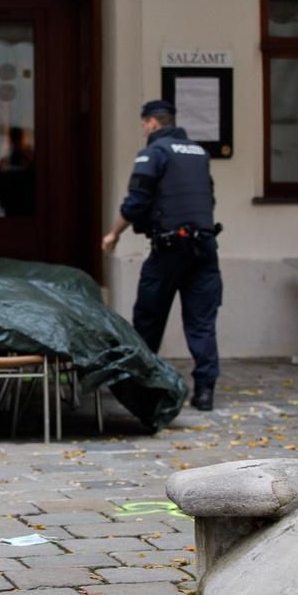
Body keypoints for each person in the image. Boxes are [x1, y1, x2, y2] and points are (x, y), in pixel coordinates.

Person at [102, 100, 222, 411]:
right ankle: (205, 392)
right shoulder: (199, 153)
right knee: (201, 323)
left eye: (144, 124)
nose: (144, 130)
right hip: (205, 248)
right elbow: (208, 198)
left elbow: (136, 202)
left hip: (169, 249)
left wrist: (114, 234)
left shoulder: (153, 153)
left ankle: (141, 386)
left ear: (153, 123)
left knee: (149, 318)